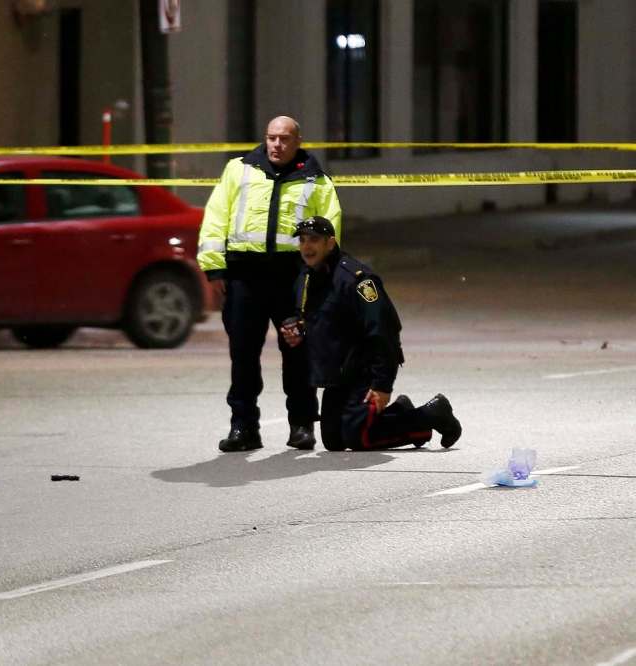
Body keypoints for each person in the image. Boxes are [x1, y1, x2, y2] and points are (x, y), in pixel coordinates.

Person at [197, 116, 342, 452]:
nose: (276, 145)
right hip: (244, 275)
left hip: (293, 276)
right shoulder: (239, 169)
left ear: (298, 141)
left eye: (284, 139)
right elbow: (217, 216)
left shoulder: (317, 180)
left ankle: (302, 425)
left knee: (298, 353)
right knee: (243, 355)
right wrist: (214, 269)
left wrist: (323, 276)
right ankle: (244, 427)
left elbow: (330, 229)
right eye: (271, 138)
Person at [281, 215, 462, 451]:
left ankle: (431, 415)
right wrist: (297, 327)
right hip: (339, 373)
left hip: (365, 370)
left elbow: (384, 331)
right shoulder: (306, 278)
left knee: (358, 437)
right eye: (303, 240)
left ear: (331, 243)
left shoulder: (357, 280)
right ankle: (402, 413)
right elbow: (311, 317)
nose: (306, 246)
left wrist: (382, 385)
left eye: (314, 240)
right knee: (334, 440)